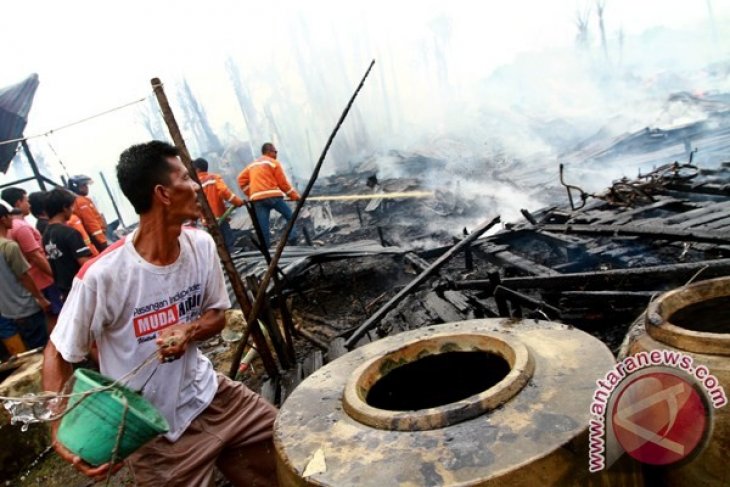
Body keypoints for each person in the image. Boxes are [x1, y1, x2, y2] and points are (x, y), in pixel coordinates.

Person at [43, 141, 277, 486]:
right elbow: (59, 352)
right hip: (151, 431)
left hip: (213, 396)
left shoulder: (201, 245)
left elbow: (216, 317)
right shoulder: (102, 275)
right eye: (186, 178)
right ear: (163, 193)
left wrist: (189, 330)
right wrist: (58, 426)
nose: (198, 185)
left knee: (286, 456)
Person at [1, 187, 64, 325]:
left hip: (34, 283)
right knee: (58, 318)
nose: (29, 204)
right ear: (18, 203)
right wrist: (56, 276)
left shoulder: (12, 229)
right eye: (26, 201)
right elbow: (36, 256)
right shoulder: (21, 227)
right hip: (43, 280)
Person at [0, 204, 50, 350]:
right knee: (42, 347)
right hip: (26, 305)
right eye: (9, 216)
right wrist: (40, 298)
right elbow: (24, 277)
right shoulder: (9, 247)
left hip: (7, 311)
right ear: (3, 219)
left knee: (29, 352)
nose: (12, 219)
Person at [237, 143, 300, 248]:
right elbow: (283, 183)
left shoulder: (252, 165)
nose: (276, 154)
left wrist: (252, 193)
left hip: (257, 200)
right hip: (273, 196)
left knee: (263, 226)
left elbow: (240, 180)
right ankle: (292, 238)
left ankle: (266, 248)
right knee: (289, 215)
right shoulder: (273, 163)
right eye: (275, 152)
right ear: (269, 151)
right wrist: (294, 196)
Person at [42, 189, 94, 296]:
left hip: (65, 291)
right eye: (71, 206)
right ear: (64, 208)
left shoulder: (46, 235)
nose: (73, 210)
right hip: (82, 290)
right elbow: (86, 265)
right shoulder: (70, 233)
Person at [193, 157, 244, 251]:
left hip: (206, 219)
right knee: (227, 237)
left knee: (214, 240)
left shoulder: (193, 184)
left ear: (197, 169)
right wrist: (238, 202)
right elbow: (224, 192)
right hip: (219, 215)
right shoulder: (213, 178)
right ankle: (231, 251)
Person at [67, 175, 108, 251]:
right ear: (76, 187)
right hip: (97, 239)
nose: (86, 187)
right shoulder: (81, 202)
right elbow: (91, 223)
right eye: (83, 185)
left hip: (95, 238)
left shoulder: (81, 200)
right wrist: (103, 242)